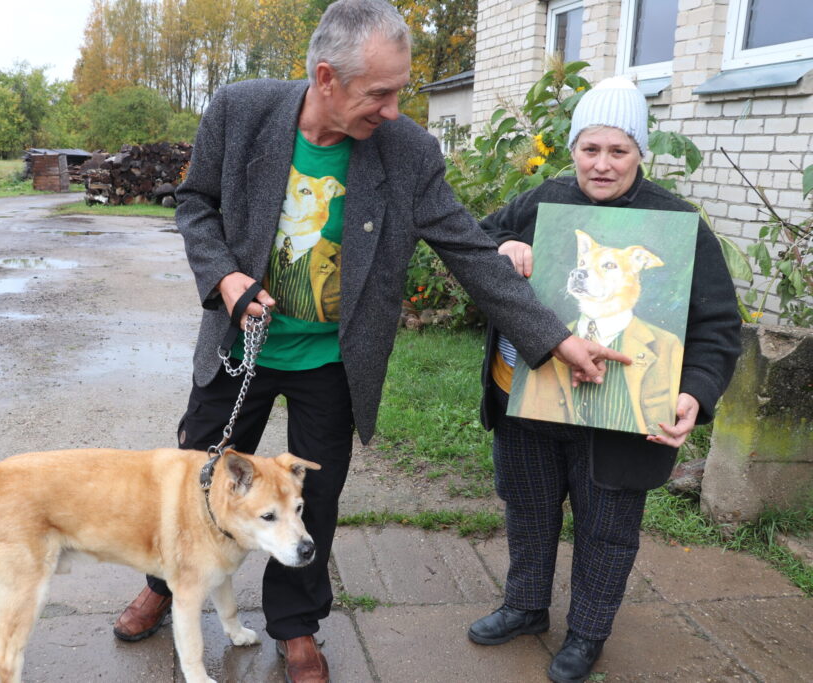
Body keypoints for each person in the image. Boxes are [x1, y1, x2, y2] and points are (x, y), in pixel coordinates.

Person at [113, 2, 629, 681]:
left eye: (400, 92)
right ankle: (162, 583)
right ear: (328, 78)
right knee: (199, 478)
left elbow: (469, 252)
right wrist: (227, 277)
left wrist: (555, 339)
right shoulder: (240, 113)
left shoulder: (406, 151)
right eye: (380, 93)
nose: (392, 109)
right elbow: (194, 202)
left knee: (312, 499)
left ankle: (297, 625)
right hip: (241, 347)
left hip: (332, 360)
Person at [466, 77, 742, 683]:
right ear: (573, 149)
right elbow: (471, 244)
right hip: (531, 398)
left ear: (641, 152)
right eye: (590, 149)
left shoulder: (677, 222)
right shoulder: (544, 199)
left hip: (623, 417)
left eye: (618, 150)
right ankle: (525, 606)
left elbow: (720, 324)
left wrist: (694, 391)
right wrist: (506, 246)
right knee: (530, 510)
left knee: (608, 527)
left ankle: (587, 633)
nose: (602, 164)